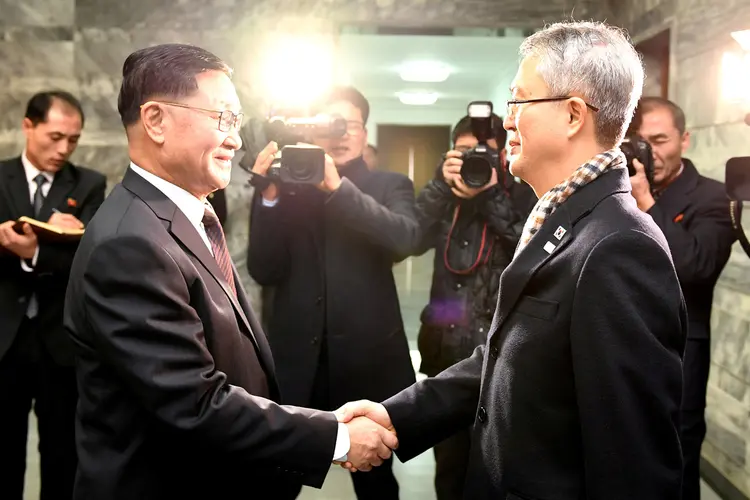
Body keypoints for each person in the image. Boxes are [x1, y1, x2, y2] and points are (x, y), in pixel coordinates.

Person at [336, 21, 687, 500]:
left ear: (572, 115)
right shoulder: (565, 217)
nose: (506, 121)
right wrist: (399, 413)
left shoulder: (619, 246)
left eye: (519, 101)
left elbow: (634, 461)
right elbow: (508, 357)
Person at [63, 44, 397, 500]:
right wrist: (335, 438)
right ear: (156, 120)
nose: (236, 140)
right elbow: (194, 403)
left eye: (236, 122)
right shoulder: (130, 243)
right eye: (221, 118)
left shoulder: (184, 215)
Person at [247, 86, 419, 499]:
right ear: (313, 132)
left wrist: (337, 189)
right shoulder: (287, 191)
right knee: (278, 476)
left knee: (376, 481)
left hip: (368, 361)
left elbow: (405, 238)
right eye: (329, 125)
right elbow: (263, 269)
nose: (340, 135)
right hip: (298, 363)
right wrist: (267, 195)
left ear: (364, 131)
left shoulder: (389, 184)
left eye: (350, 125)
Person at [413, 112, 534, 499]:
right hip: (444, 351)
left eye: (484, 154)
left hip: (500, 358)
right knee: (449, 468)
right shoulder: (445, 196)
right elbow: (408, 239)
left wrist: (490, 195)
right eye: (464, 152)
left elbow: (529, 252)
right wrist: (437, 185)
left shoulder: (524, 193)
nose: (473, 162)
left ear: (504, 156)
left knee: (497, 470)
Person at [0, 91, 106, 500]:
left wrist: (34, 251)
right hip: (4, 342)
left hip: (60, 343)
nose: (63, 149)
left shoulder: (89, 184)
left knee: (63, 456)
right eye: (55, 136)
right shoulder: (2, 176)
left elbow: (90, 259)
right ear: (28, 126)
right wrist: (51, 233)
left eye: (73, 140)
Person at [629, 96, 735, 500]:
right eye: (639, 141)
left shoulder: (712, 196)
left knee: (674, 462)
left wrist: (647, 204)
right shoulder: (614, 188)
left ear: (684, 140)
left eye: (659, 140)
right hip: (619, 343)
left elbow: (696, 267)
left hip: (680, 350)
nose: (649, 153)